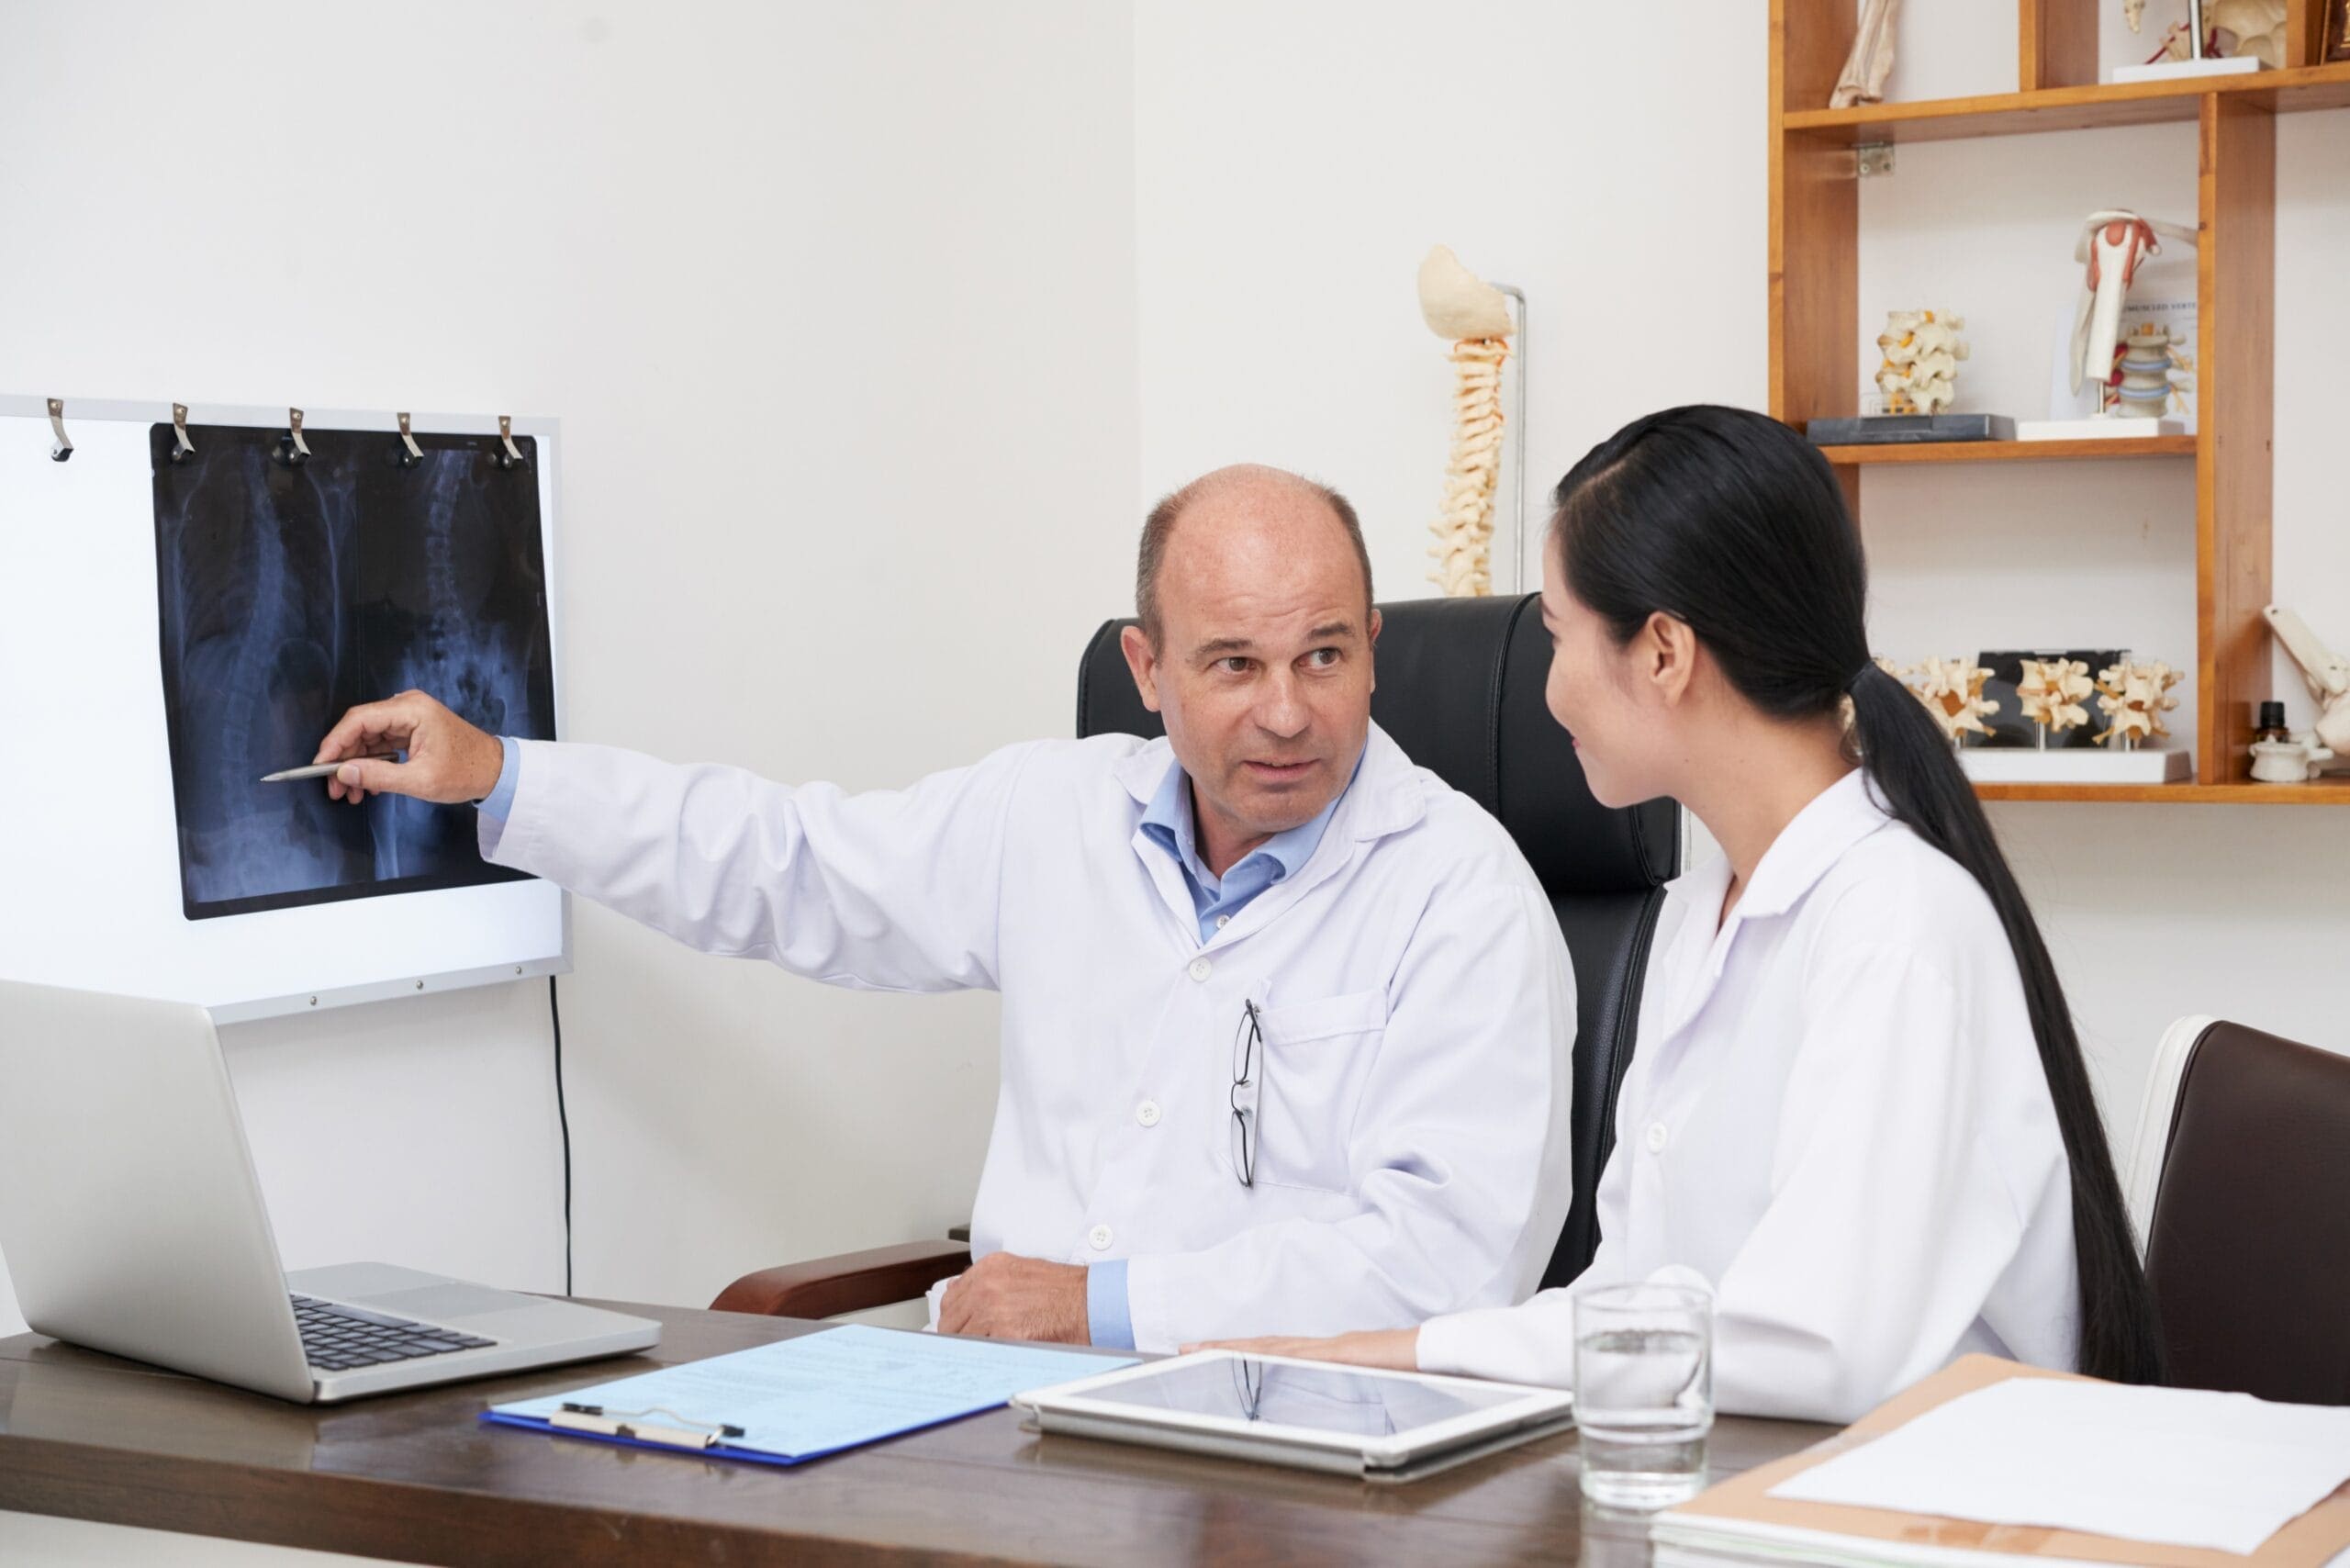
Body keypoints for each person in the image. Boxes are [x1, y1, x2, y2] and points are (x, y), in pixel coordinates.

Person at [309, 465, 1576, 1354]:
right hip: (1004, 1425)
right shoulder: (1050, 811)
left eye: (1326, 655)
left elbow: (1446, 1266)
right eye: (1234, 665)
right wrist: (500, 776)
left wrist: (1099, 1307)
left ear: (1372, 648)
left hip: (1277, 1463)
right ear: (1147, 671)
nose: (1289, 712)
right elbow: (787, 863)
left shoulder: (1462, 897)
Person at [1207, 408, 2164, 1422]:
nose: (1549, 688)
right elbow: (1631, 1291)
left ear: (1663, 651)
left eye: (1559, 638)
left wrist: (1425, 1349)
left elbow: (1817, 1343)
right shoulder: (1698, 908)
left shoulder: (1896, 924)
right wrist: (1406, 1365)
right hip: (1740, 1481)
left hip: (1918, 1506)